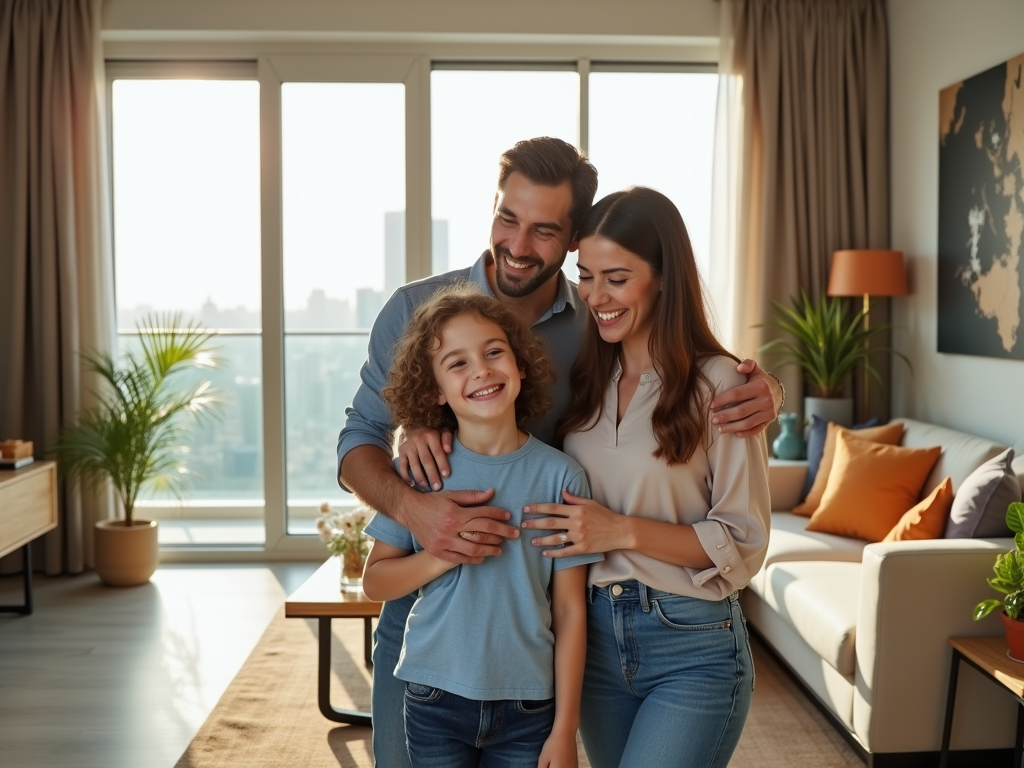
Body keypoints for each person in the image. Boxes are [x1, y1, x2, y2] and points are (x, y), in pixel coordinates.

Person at [336, 137, 782, 768]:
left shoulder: (592, 335)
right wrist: (418, 510)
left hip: (552, 620)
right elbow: (359, 443)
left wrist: (765, 392)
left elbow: (681, 387)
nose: (518, 246)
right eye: (507, 218)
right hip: (434, 622)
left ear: (572, 237)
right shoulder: (416, 311)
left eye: (544, 230)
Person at [519, 187, 771, 768]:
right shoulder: (584, 382)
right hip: (593, 643)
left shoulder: (725, 387)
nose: (595, 296)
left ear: (663, 278)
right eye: (586, 276)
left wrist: (620, 531)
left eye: (617, 278)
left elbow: (742, 544)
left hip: (691, 644)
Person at [362, 285, 601, 768]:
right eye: (457, 363)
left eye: (494, 352)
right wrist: (440, 552)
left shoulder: (562, 476)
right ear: (435, 390)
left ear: (521, 365)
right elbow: (375, 582)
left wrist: (566, 730)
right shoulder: (422, 472)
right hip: (434, 697)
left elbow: (571, 611)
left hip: (530, 705)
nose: (481, 370)